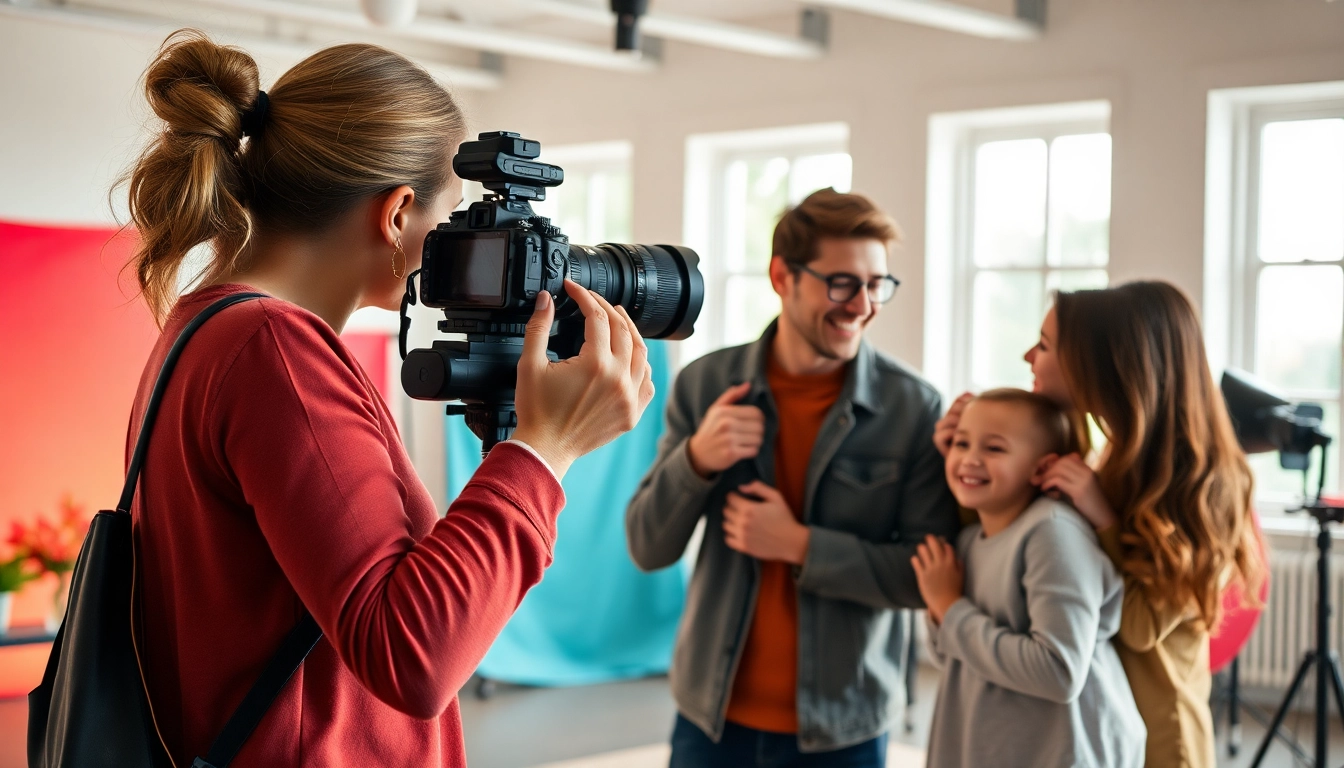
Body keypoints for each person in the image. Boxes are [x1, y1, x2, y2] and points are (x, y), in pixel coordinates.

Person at [122, 30, 654, 767]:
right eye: (456, 218)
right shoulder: (274, 349)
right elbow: (414, 654)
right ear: (399, 213)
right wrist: (546, 450)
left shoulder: (209, 327)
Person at [626, 188, 959, 767]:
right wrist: (698, 458)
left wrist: (801, 545)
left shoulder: (915, 409)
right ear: (783, 276)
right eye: (842, 283)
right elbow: (647, 546)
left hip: (845, 729)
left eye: (877, 284)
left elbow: (922, 577)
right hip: (710, 717)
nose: (862, 305)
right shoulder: (706, 385)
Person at [933, 281, 1265, 768]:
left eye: (1044, 345)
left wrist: (1103, 517)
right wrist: (965, 457)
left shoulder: (1205, 483)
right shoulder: (1109, 457)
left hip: (1160, 741)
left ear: (1104, 363)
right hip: (1097, 727)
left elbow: (1136, 627)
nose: (1028, 355)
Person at [914, 389, 1145, 768]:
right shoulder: (970, 540)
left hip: (1061, 753)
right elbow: (950, 653)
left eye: (994, 449)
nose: (969, 459)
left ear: (1040, 469)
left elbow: (1059, 672)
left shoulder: (1053, 533)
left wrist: (949, 607)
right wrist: (942, 611)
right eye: (961, 443)